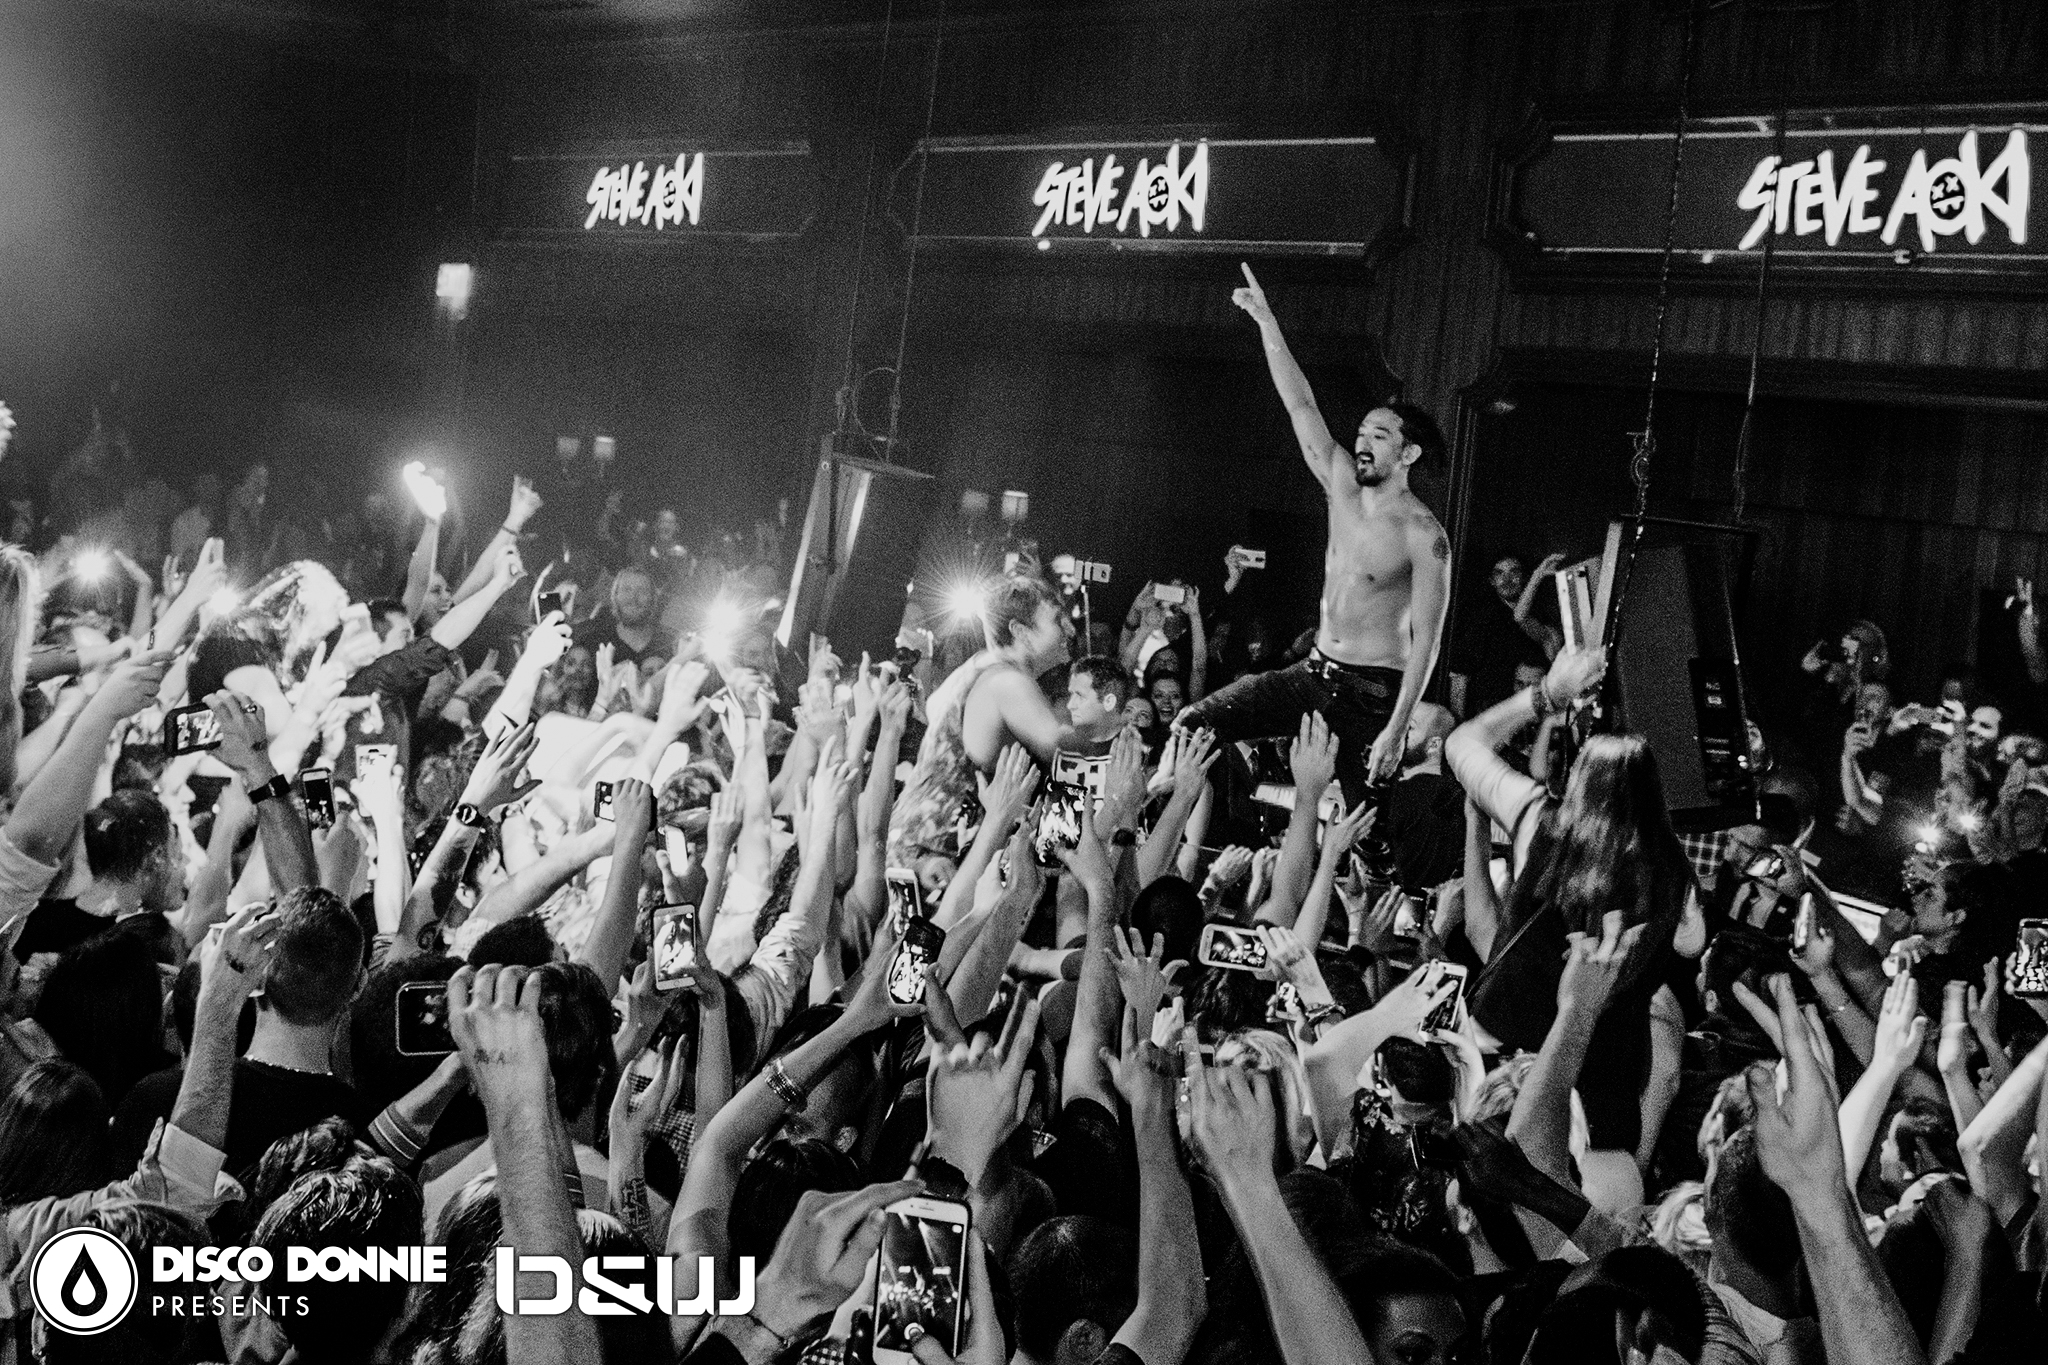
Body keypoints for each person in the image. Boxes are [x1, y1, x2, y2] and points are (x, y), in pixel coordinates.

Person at [1178, 265, 1450, 807]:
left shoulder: (1425, 535)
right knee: (1194, 726)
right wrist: (1267, 322)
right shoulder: (1341, 484)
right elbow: (1301, 404)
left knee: (1367, 829)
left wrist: (1397, 729)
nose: (1362, 442)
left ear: (1409, 454)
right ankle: (1217, 826)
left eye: (1379, 435)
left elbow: (1427, 642)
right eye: (1361, 432)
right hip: (1312, 672)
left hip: (1371, 695)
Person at [1446, 555, 1555, 720]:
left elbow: (1521, 617)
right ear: (1491, 581)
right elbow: (1459, 674)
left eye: (1514, 572)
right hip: (1488, 712)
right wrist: (1458, 723)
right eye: (1499, 573)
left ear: (1524, 577)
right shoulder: (1481, 619)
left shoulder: (1540, 616)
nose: (1507, 579)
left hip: (1532, 711)